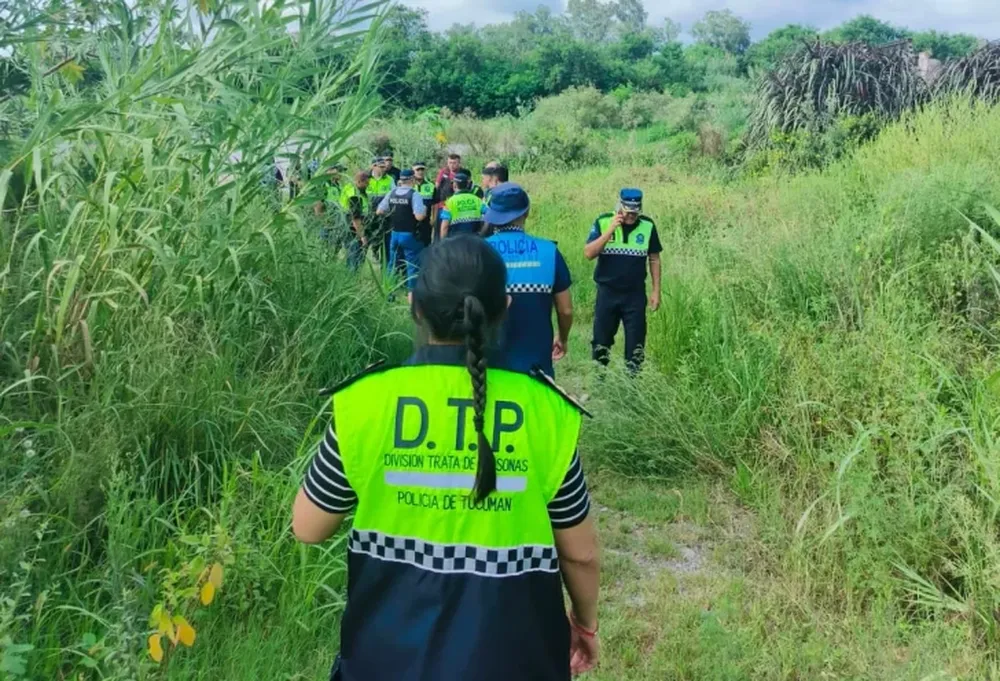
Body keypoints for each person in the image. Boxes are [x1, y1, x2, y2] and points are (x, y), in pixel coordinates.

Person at [292, 235, 600, 681]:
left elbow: (307, 527)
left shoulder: (366, 402)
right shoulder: (545, 409)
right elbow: (581, 554)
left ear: (415, 305)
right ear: (505, 307)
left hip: (387, 659)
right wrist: (584, 623)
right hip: (517, 659)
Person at [485, 183, 573, 377]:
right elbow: (565, 310)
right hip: (536, 366)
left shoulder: (477, 252)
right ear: (527, 212)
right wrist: (563, 338)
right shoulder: (549, 251)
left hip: (489, 365)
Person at [584, 188, 662, 372]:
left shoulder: (648, 226)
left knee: (636, 344)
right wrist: (610, 229)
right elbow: (588, 253)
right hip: (607, 292)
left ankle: (632, 387)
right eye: (628, 213)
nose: (631, 217)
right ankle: (599, 380)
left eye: (635, 213)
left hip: (634, 295)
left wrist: (656, 290)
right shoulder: (603, 222)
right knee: (601, 341)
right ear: (619, 207)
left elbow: (654, 258)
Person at [377, 168, 427, 298]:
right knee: (412, 265)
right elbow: (419, 217)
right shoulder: (414, 194)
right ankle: (412, 295)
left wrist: (393, 214)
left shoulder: (392, 193)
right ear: (412, 180)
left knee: (392, 264)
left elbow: (379, 211)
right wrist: (425, 210)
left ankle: (389, 293)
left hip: (395, 234)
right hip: (409, 234)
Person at [339, 171, 371, 270]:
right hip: (354, 231)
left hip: (347, 227)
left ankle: (351, 278)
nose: (367, 186)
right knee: (355, 258)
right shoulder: (354, 195)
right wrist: (362, 236)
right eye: (366, 183)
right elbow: (355, 218)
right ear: (359, 182)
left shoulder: (349, 187)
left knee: (351, 257)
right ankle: (352, 279)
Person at [439, 170, 486, 239]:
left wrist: (444, 244)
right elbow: (490, 216)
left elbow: (444, 227)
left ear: (454, 185)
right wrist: (482, 233)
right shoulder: (477, 200)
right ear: (467, 185)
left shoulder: (450, 202)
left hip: (456, 241)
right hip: (475, 240)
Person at [367, 157, 396, 264]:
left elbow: (394, 195)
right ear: (374, 167)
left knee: (384, 237)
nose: (385, 169)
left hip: (384, 214)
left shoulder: (390, 179)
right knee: (371, 237)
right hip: (369, 214)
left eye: (385, 167)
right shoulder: (367, 179)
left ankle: (384, 262)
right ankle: (374, 251)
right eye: (381, 167)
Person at [434, 153, 462, 240]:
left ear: (459, 163)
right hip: (442, 206)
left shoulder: (463, 173)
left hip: (456, 206)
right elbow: (437, 186)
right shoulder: (444, 172)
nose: (452, 165)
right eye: (450, 162)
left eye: (454, 163)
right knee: (439, 232)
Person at [413, 161, 437, 246]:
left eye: (422, 169)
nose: (420, 172)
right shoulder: (409, 185)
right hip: (411, 220)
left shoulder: (431, 186)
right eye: (418, 169)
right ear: (413, 171)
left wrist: (433, 219)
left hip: (426, 221)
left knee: (426, 243)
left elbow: (435, 204)